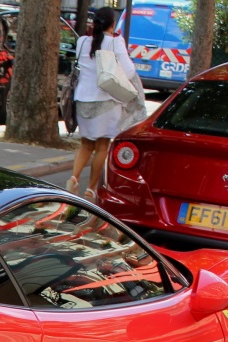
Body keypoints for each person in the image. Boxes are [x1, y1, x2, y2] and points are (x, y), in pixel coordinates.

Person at [67, 7, 142, 199]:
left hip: (82, 99)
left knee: (85, 145)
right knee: (102, 146)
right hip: (106, 101)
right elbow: (129, 71)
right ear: (112, 24)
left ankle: (74, 178)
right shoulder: (115, 42)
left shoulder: (83, 41)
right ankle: (91, 189)